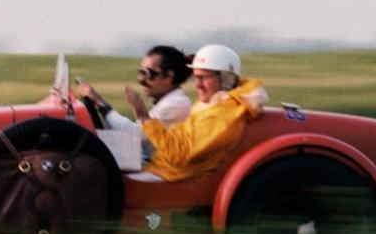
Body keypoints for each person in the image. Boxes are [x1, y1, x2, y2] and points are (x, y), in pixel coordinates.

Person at [137, 43, 269, 181]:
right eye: (196, 77)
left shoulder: (224, 115)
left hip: (175, 177)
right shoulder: (213, 105)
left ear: (227, 80)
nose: (197, 85)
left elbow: (178, 155)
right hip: (164, 169)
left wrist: (144, 118)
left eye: (204, 77)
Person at [76, 45, 192, 133]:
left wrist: (100, 102)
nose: (140, 79)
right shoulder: (167, 101)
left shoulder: (176, 104)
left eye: (147, 73)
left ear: (168, 77)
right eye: (141, 72)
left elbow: (135, 134)